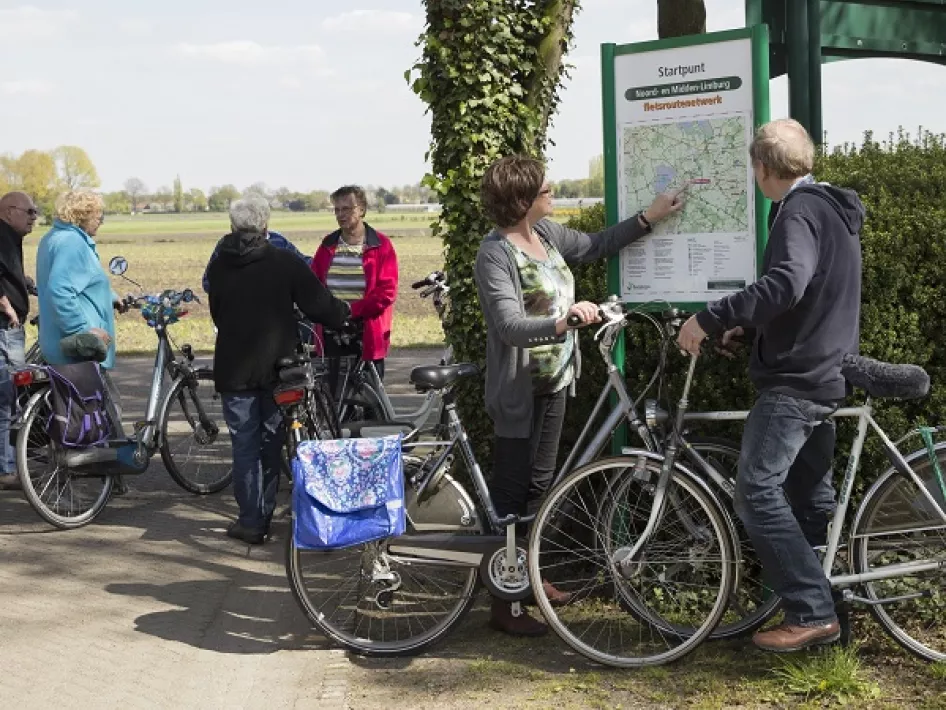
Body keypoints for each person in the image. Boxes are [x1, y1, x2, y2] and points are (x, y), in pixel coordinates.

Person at [474, 155, 687, 636]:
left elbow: (595, 245)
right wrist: (563, 321)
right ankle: (504, 603)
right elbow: (508, 326)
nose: (553, 192)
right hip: (518, 391)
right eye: (545, 189)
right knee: (513, 492)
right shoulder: (495, 254)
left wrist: (649, 217)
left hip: (555, 381)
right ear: (522, 200)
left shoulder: (545, 235)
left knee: (541, 485)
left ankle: (530, 574)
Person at [677, 118, 864, 653]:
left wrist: (710, 317)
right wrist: (754, 328)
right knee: (809, 504)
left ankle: (812, 612)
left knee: (756, 492)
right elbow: (813, 297)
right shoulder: (830, 208)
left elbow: (787, 283)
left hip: (795, 383)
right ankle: (830, 626)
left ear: (762, 167)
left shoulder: (798, 211)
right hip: (825, 373)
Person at [207, 197, 350, 545]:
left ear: (232, 226)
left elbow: (217, 312)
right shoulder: (283, 261)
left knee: (244, 445)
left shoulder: (219, 265)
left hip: (234, 368)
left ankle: (250, 520)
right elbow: (318, 303)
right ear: (265, 226)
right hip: (278, 370)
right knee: (271, 443)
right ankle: (266, 514)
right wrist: (343, 313)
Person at [311, 185, 398, 381]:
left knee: (368, 396)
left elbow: (387, 292)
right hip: (332, 334)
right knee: (333, 395)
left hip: (367, 335)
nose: (341, 215)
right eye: (337, 210)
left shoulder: (381, 246)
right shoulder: (327, 244)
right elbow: (314, 284)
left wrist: (352, 310)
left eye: (347, 209)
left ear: (362, 210)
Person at [0, 192, 37, 490]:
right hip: (5, 328)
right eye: (30, 211)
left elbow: (8, 273)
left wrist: (29, 286)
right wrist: (7, 307)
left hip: (7, 326)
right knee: (8, 399)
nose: (34, 217)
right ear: (9, 211)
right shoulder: (2, 237)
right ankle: (7, 470)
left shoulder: (10, 238)